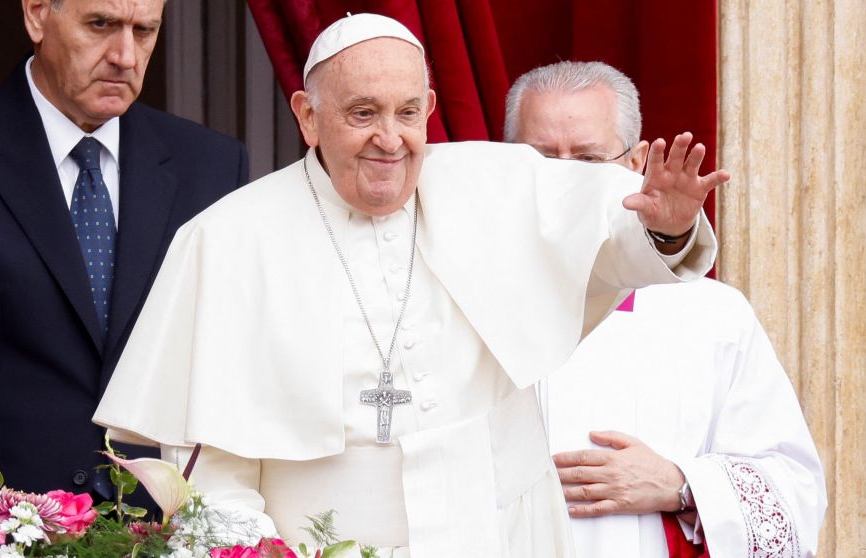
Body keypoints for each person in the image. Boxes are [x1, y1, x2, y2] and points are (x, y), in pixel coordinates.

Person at [94, 14, 729, 557]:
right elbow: (211, 469)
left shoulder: (494, 186)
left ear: (428, 108)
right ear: (308, 116)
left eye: (406, 112)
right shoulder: (227, 240)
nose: (390, 139)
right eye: (362, 113)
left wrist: (668, 228)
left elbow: (607, 237)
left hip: (496, 537)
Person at [505, 60, 827, 557]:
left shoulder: (713, 317)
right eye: (544, 158)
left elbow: (795, 495)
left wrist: (680, 484)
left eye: (588, 158)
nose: (565, 178)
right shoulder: (463, 299)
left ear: (635, 163)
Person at [0, 0, 248, 500]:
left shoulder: (211, 167)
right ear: (37, 14)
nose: (125, 56)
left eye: (144, 31)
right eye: (101, 24)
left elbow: (233, 363)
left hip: (164, 524)